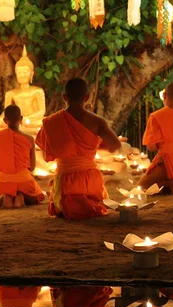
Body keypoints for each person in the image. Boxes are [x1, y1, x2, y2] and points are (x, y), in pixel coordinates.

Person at [36, 78, 121, 219]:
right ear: (87, 97)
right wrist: (95, 146)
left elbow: (47, 154)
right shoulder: (97, 121)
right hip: (90, 180)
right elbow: (115, 145)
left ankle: (70, 205)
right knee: (95, 205)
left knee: (65, 208)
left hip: (65, 183)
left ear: (64, 98)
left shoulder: (51, 122)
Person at [0, 105, 45, 208]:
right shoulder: (29, 139)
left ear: (5, 120)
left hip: (4, 183)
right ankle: (21, 195)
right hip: (25, 182)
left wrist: (7, 173)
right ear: (21, 119)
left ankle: (6, 196)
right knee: (37, 197)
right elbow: (32, 167)